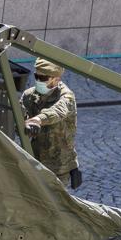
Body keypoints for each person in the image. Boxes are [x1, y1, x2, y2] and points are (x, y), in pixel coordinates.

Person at [21, 58, 81, 189]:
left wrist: (38, 119)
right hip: (35, 160)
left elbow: (58, 111)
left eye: (43, 78)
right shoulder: (29, 95)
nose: (38, 81)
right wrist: (22, 124)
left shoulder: (66, 96)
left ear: (56, 79)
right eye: (36, 76)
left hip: (59, 165)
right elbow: (19, 120)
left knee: (54, 205)